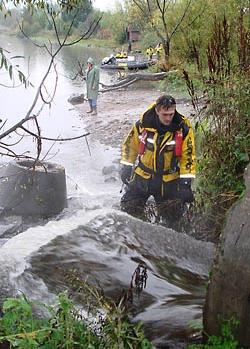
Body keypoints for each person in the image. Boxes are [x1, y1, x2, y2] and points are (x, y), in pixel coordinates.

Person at [120, 95, 196, 226]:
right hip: (143, 176)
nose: (168, 118)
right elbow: (130, 145)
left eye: (171, 114)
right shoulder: (142, 125)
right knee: (128, 211)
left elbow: (188, 156)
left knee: (174, 221)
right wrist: (126, 166)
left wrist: (185, 183)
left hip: (169, 180)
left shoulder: (183, 129)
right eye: (164, 114)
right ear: (157, 111)